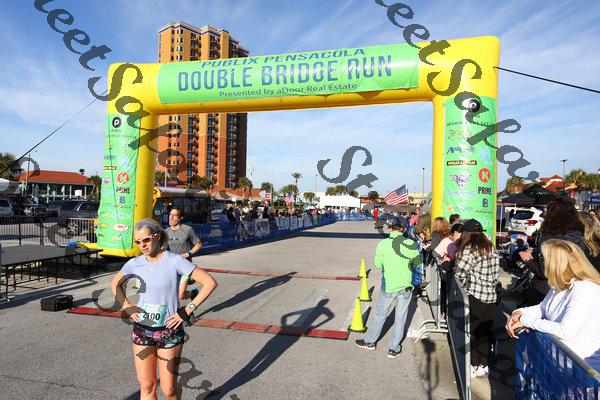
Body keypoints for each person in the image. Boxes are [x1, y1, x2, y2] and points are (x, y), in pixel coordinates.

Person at [110, 219, 217, 400]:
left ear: (157, 236)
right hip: (142, 329)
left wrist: (186, 311)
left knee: (169, 389)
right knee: (147, 386)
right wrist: (127, 307)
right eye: (137, 242)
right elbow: (115, 283)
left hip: (169, 330)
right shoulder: (134, 263)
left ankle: (176, 392)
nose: (142, 245)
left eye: (146, 240)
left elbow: (209, 282)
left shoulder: (174, 260)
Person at [506, 239, 600, 371]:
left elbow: (565, 331)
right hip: (558, 362)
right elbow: (543, 307)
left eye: (544, 258)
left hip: (579, 369)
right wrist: (520, 312)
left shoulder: (586, 290)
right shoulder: (561, 283)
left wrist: (524, 320)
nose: (542, 263)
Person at [355, 223, 421, 359]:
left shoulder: (383, 244)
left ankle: (370, 341)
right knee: (401, 317)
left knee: (380, 314)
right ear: (403, 230)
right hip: (406, 285)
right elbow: (417, 263)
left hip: (389, 284)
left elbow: (378, 264)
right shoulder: (411, 244)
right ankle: (393, 348)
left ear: (391, 230)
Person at [454, 219, 500, 378]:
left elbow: (460, 273)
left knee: (471, 331)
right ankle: (483, 364)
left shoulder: (469, 248)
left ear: (466, 233)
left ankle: (473, 364)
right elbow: (496, 273)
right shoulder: (490, 247)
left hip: (475, 295)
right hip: (491, 296)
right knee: (484, 331)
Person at [519, 198, 585, 305]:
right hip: (571, 285)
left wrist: (527, 260)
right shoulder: (578, 234)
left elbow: (545, 271)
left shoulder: (550, 237)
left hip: (547, 289)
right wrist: (536, 254)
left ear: (552, 215)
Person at [165, 207, 203, 300]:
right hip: (171, 267)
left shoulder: (187, 229)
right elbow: (164, 250)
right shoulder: (166, 232)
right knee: (170, 293)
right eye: (170, 214)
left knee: (180, 295)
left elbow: (199, 245)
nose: (171, 217)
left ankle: (193, 293)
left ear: (180, 218)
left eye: (174, 215)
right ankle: (176, 309)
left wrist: (188, 254)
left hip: (185, 267)